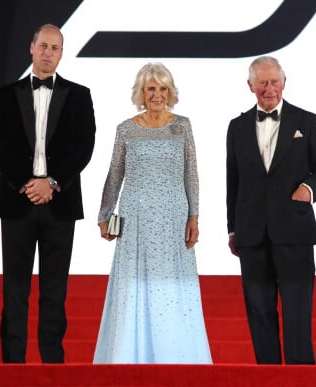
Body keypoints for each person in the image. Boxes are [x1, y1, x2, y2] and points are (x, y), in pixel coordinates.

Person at [0, 24, 96, 363]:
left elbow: (84, 146)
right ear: (31, 47)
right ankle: (13, 365)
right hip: (17, 201)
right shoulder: (6, 94)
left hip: (59, 202)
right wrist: (26, 182)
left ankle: (53, 364)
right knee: (14, 290)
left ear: (61, 53)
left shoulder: (80, 95)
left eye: (56, 48)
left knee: (55, 290)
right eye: (44, 46)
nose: (49, 52)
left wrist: (51, 183)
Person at [93, 63, 212, 364]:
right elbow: (114, 174)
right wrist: (104, 214)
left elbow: (191, 174)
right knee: (135, 285)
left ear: (170, 92)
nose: (157, 95)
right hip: (135, 221)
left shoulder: (182, 126)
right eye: (151, 89)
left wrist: (194, 217)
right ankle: (131, 356)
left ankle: (175, 356)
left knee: (171, 287)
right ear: (141, 93)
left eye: (162, 89)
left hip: (173, 219)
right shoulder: (126, 129)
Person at [226, 56, 316, 364]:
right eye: (262, 82)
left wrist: (308, 190)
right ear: (251, 86)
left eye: (274, 81)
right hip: (251, 233)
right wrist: (232, 228)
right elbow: (232, 181)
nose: (269, 88)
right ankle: (268, 375)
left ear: (284, 83)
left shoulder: (307, 121)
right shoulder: (236, 127)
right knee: (259, 310)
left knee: (297, 308)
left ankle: (300, 377)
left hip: (294, 230)